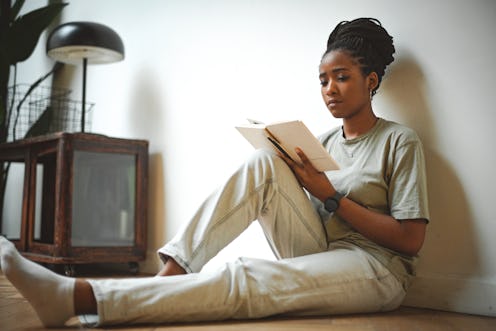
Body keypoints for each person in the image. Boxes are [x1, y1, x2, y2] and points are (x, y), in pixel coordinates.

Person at [0, 17, 429, 327]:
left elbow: (410, 241)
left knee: (248, 275)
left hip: (376, 268)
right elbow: (314, 216)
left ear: (370, 81)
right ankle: (173, 273)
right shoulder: (324, 143)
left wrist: (329, 195)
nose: (329, 89)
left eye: (341, 77)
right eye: (322, 80)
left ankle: (79, 297)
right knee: (265, 160)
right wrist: (298, 181)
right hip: (319, 251)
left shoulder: (399, 141)